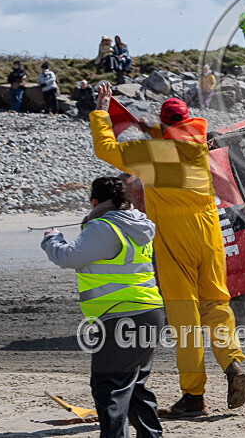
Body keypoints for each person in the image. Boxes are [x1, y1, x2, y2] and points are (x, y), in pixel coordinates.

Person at [90, 84, 245, 418]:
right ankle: (233, 364)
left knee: (184, 317)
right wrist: (150, 127)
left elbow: (105, 149)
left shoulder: (149, 154)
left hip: (174, 235)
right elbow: (175, 137)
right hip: (208, 231)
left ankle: (194, 396)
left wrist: (102, 111)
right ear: (187, 120)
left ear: (164, 123)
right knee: (216, 304)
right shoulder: (198, 147)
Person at [40, 176, 165, 438]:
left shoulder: (103, 226)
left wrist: (52, 238)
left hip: (120, 314)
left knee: (109, 385)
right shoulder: (139, 223)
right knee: (134, 384)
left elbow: (69, 257)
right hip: (150, 311)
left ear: (95, 201)